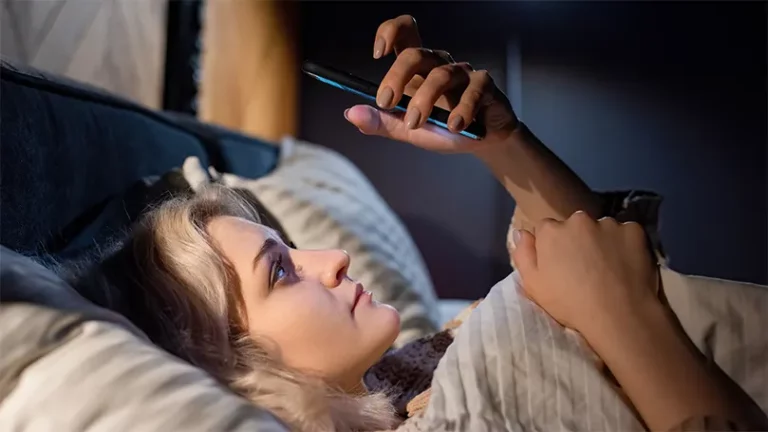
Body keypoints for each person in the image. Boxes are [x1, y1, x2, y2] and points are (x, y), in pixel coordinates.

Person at [90, 15, 767, 432]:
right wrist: (629, 318)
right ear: (229, 369)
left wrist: (503, 143)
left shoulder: (398, 378)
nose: (333, 259)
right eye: (282, 271)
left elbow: (589, 254)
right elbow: (609, 291)